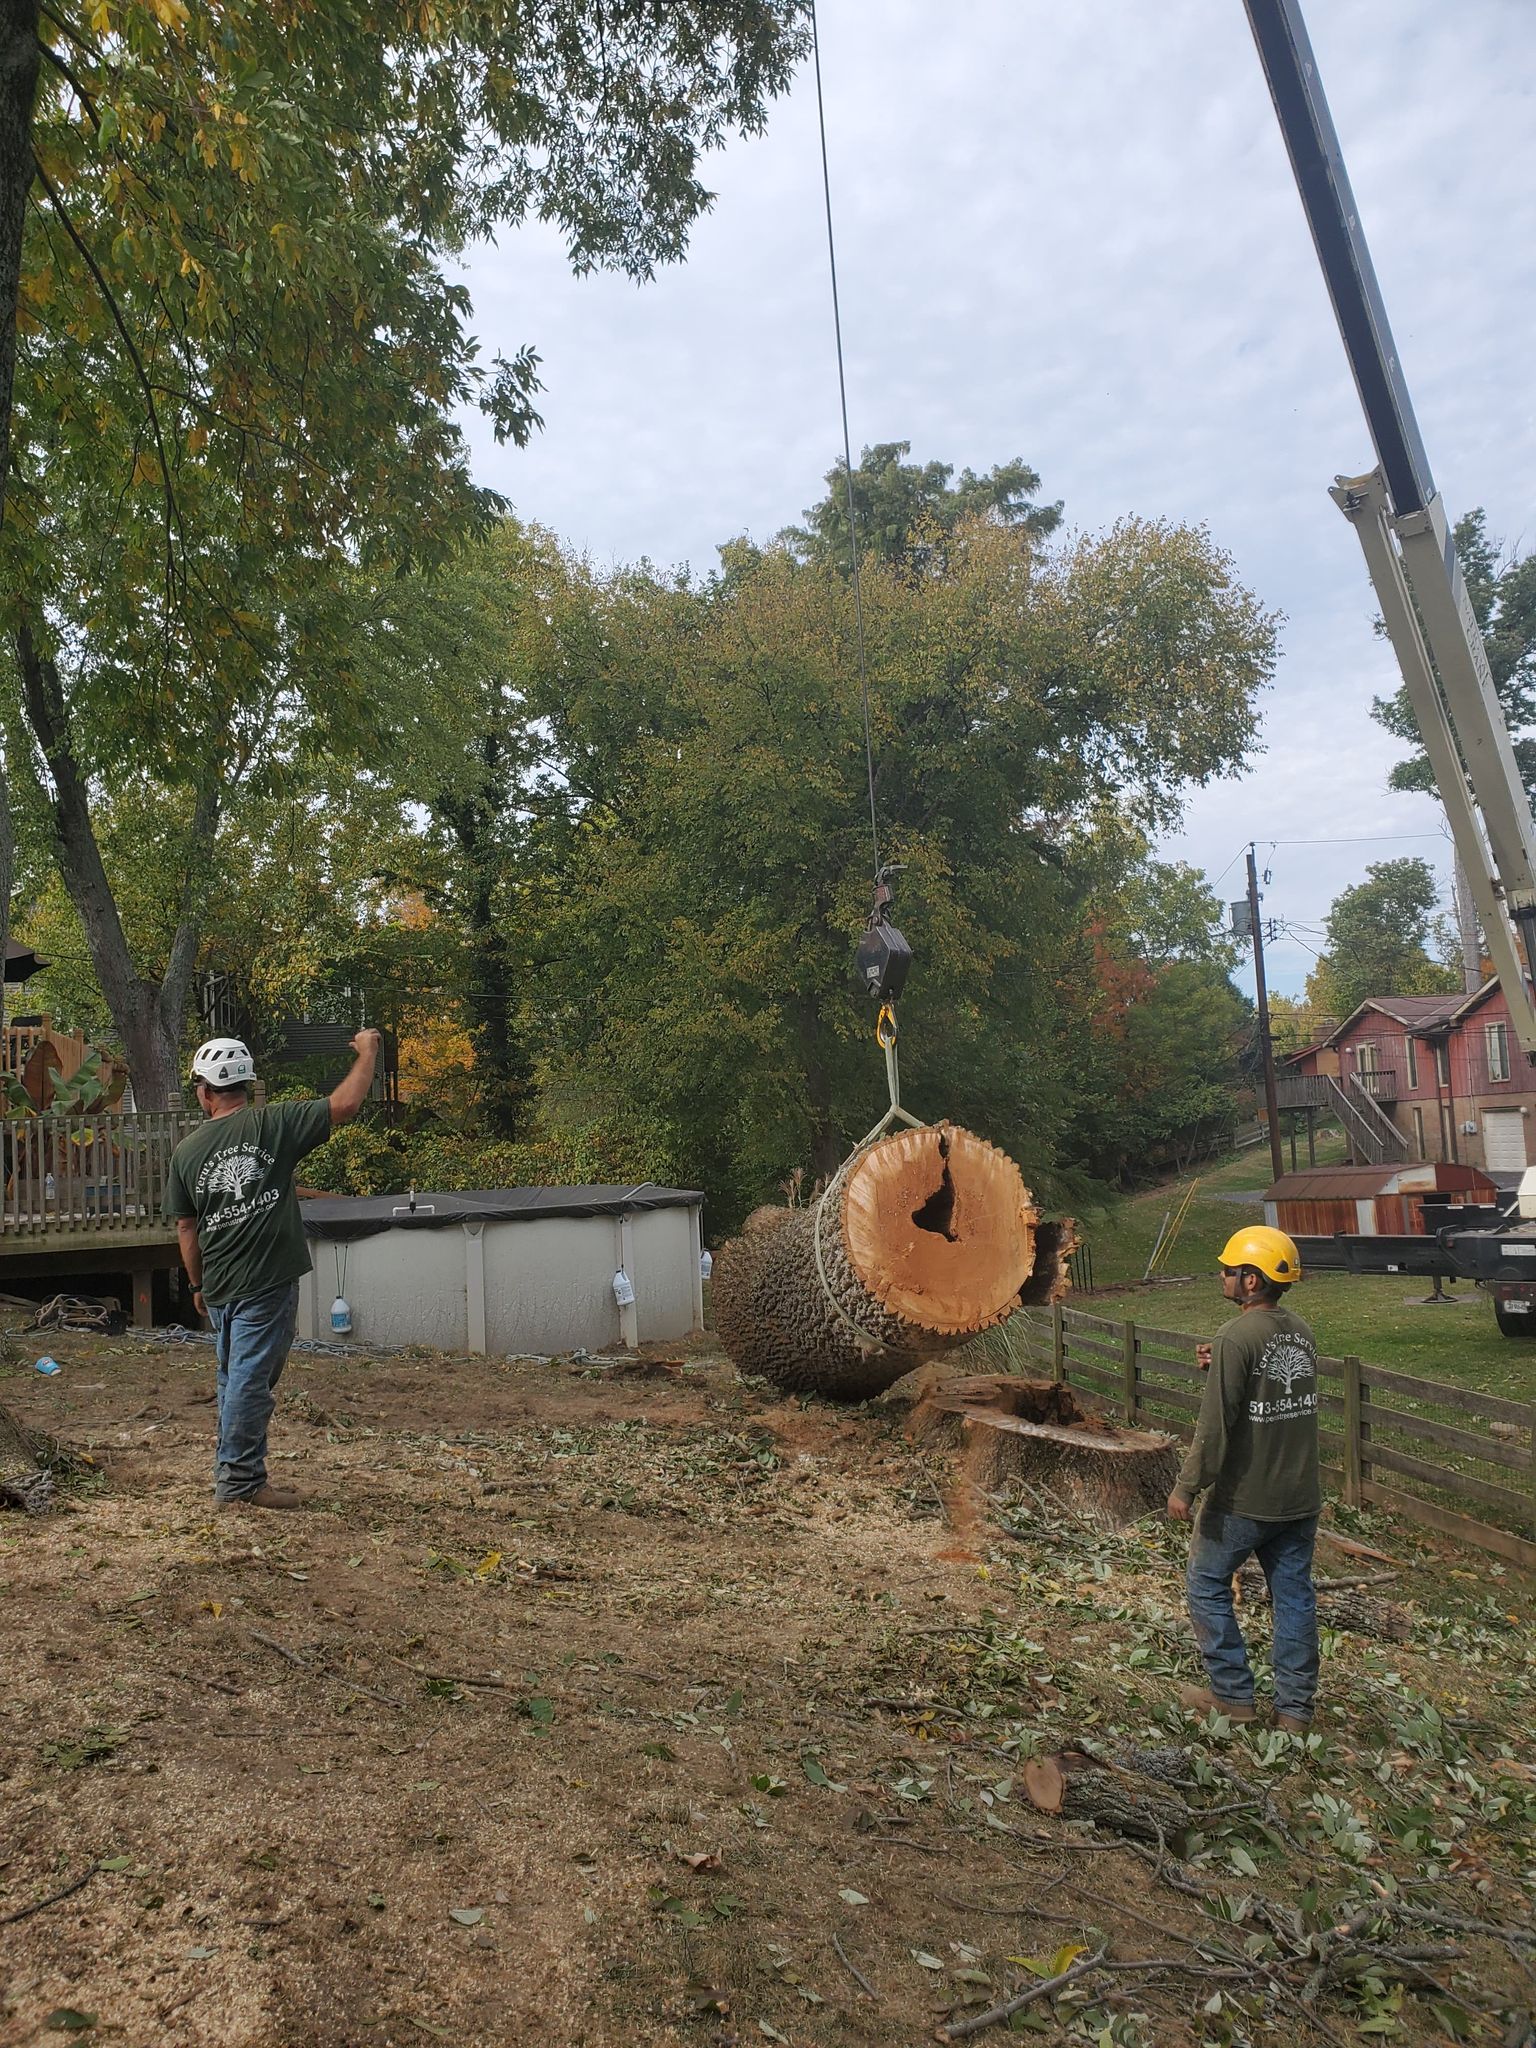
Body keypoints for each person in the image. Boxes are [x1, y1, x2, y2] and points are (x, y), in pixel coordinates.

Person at [166, 1031, 381, 1509]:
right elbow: (344, 1105)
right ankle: (240, 1485)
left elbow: (186, 1227)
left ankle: (237, 1473)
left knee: (232, 1378)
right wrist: (367, 1052)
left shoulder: (187, 1152)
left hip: (220, 1284)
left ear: (204, 1092)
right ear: (247, 1084)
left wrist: (197, 1284)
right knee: (248, 1379)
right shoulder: (275, 1124)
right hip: (267, 1280)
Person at [1167, 1225, 1320, 1732]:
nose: (1223, 1276)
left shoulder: (1235, 1336)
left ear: (1252, 1281)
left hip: (1245, 1501)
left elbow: (1215, 1426)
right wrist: (1221, 1366)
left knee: (1206, 1583)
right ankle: (1295, 1712)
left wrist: (1187, 1486)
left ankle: (1233, 1698)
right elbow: (1271, 1389)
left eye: (1230, 1270)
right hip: (1300, 1499)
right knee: (1294, 1596)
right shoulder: (1300, 1331)